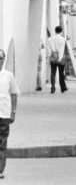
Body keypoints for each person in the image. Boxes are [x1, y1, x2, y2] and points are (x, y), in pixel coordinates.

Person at [0, 49, 19, 180]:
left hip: (4, 114)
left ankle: (0, 169)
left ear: (4, 59)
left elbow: (14, 93)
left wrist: (13, 112)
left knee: (2, 143)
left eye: (0, 58)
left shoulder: (8, 76)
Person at [47, 26, 68, 94]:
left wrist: (50, 55)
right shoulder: (63, 39)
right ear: (61, 31)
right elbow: (62, 49)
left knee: (53, 73)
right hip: (60, 57)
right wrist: (60, 58)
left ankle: (53, 86)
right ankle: (62, 88)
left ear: (55, 31)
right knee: (61, 73)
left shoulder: (50, 39)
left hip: (53, 56)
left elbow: (48, 48)